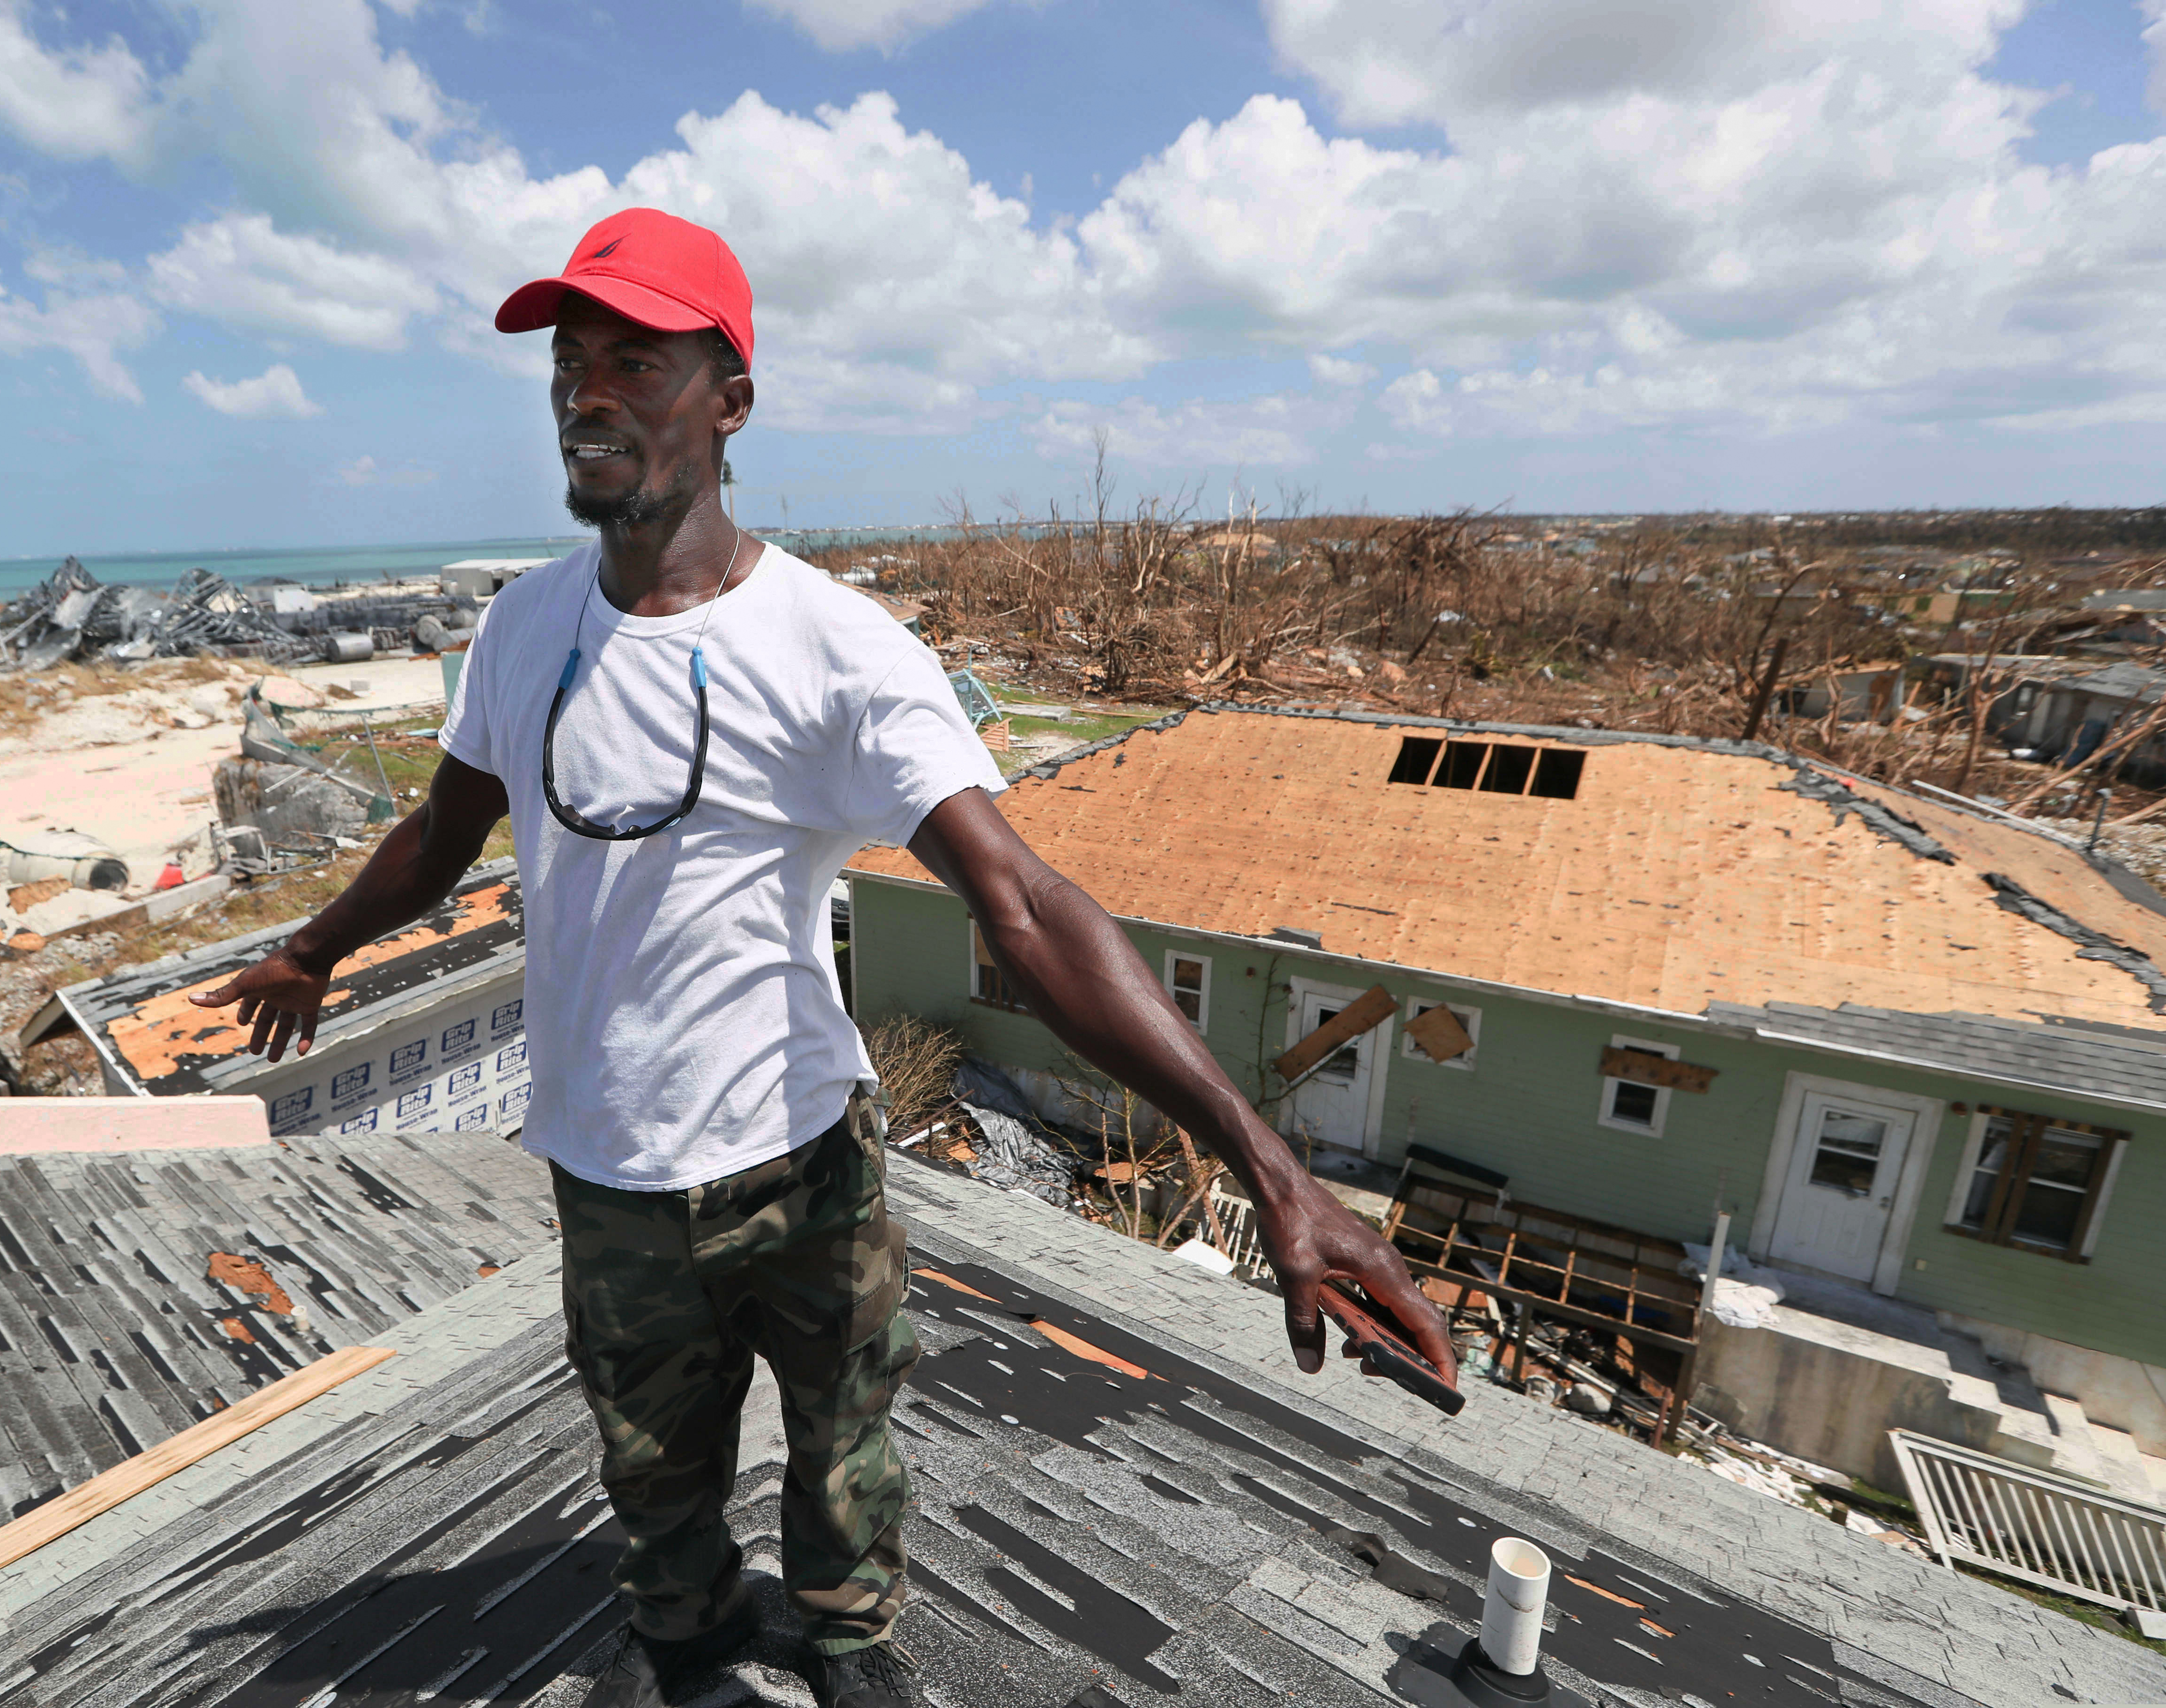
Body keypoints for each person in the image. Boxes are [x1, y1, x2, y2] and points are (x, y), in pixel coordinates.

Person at [193, 207, 1456, 1708]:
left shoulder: (843, 651)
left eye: (634, 361)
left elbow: (1028, 905)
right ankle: (688, 1639)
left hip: (803, 1162)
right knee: (652, 1471)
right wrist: (318, 948)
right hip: (606, 1167)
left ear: (730, 400)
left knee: (845, 1438)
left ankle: (853, 1648)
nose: (587, 391)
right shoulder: (524, 628)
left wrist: (1270, 1166)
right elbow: (447, 827)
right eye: (569, 361)